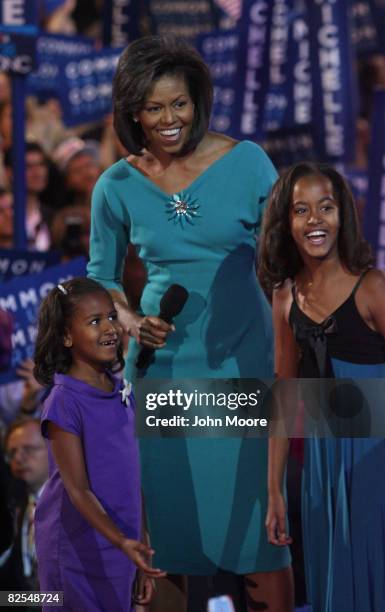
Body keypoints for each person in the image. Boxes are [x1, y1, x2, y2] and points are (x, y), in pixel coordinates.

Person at [87, 35, 293, 612]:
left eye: (180, 103)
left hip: (242, 362)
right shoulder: (117, 185)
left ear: (198, 101)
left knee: (257, 535)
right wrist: (128, 319)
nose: (170, 119)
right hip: (164, 368)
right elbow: (100, 276)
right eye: (154, 108)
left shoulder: (248, 162)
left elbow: (284, 255)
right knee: (171, 538)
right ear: (133, 112)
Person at [259, 162, 385, 612]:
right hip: (320, 464)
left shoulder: (373, 289)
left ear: (343, 216)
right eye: (301, 210)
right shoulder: (285, 297)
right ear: (285, 222)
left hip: (375, 461)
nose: (315, 220)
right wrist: (273, 488)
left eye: (326, 207)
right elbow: (283, 393)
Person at [32, 278, 165, 612]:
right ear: (65, 336)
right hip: (76, 550)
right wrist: (122, 542)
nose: (110, 328)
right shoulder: (63, 402)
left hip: (122, 544)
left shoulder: (122, 390)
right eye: (94, 321)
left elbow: (134, 479)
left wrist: (140, 546)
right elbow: (77, 491)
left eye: (111, 317)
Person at [0, 418, 48, 594]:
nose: (19, 458)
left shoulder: (72, 506)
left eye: (29, 449)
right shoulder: (21, 506)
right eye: (12, 453)